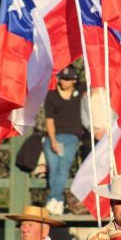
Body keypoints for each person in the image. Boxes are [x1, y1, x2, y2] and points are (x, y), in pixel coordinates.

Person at [43, 66, 85, 215]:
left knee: (63, 169)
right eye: (61, 78)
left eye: (67, 79)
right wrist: (53, 140)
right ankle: (58, 200)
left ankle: (53, 198)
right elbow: (49, 120)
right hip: (54, 137)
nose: (63, 82)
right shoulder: (51, 96)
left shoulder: (80, 90)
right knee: (53, 170)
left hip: (72, 137)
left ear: (74, 81)